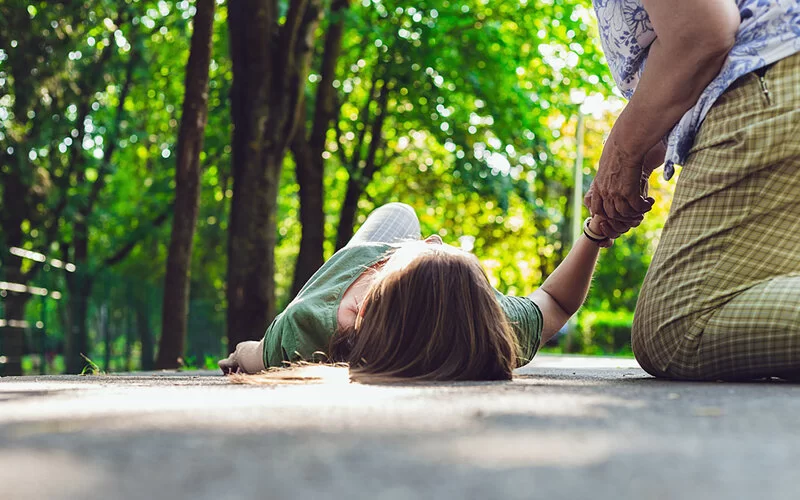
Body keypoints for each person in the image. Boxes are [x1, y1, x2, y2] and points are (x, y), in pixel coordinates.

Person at [586, 0, 800, 380]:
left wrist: (621, 149)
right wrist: (634, 162)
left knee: (677, 326)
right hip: (780, 74)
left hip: (772, 75)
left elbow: (701, 33)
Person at [219, 202, 637, 381]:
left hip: (338, 282)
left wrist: (241, 354)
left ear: (368, 302)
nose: (435, 237)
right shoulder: (482, 327)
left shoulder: (302, 327)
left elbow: (247, 352)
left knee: (399, 214)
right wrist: (593, 232)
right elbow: (557, 303)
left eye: (427, 250)